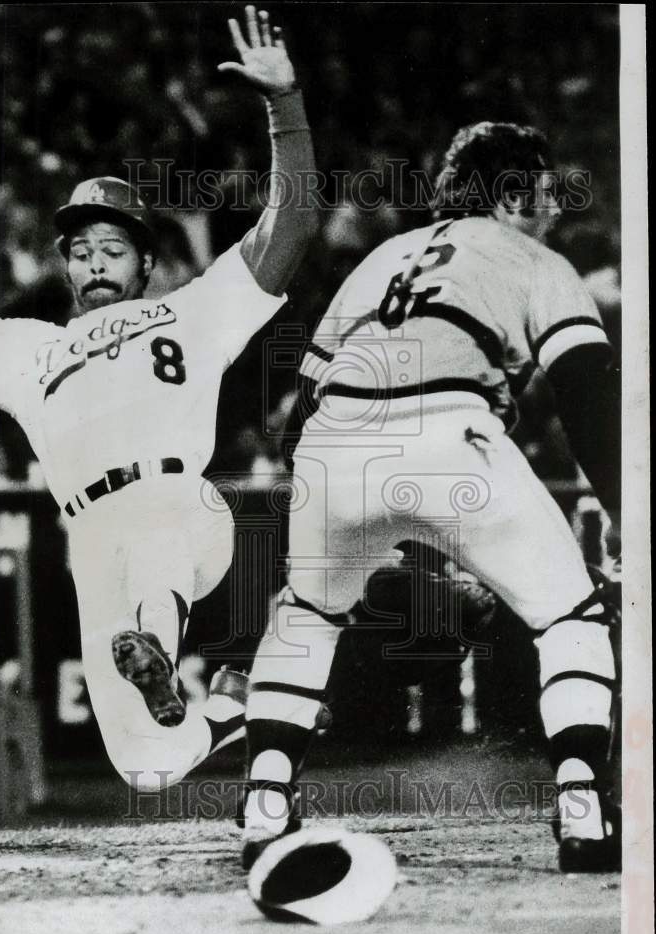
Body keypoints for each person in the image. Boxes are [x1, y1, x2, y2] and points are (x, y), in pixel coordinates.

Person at [0, 7, 317, 793]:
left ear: (146, 262)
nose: (94, 263)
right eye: (80, 252)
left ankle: (157, 649)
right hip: (90, 535)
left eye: (112, 248)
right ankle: (223, 709)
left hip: (181, 508)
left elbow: (291, 225)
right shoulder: (31, 347)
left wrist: (283, 106)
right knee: (147, 766)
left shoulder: (191, 310)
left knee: (155, 540)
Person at [241, 122, 621, 873]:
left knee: (307, 616)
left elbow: (298, 413)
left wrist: (345, 529)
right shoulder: (533, 258)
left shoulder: (381, 256)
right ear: (514, 194)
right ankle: (581, 804)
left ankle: (264, 801)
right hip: (452, 431)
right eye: (543, 194)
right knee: (570, 615)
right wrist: (625, 508)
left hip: (331, 439)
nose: (551, 210)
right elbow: (585, 394)